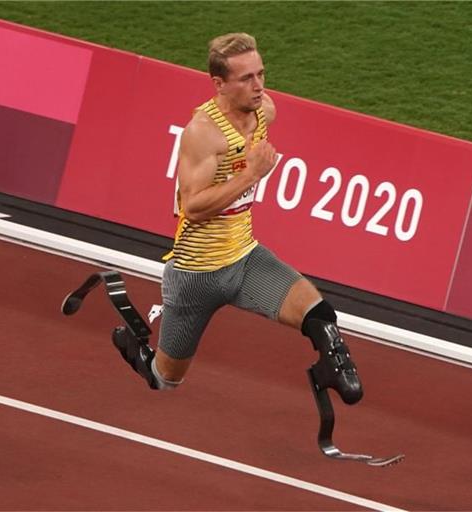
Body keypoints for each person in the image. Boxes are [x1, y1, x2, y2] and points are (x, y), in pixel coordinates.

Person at [113, 32, 363, 405]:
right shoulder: (202, 133)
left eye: (261, 74)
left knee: (322, 316)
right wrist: (250, 175)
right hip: (196, 275)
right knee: (166, 381)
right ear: (219, 84)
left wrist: (248, 172)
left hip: (245, 259)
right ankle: (138, 351)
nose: (259, 86)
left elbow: (258, 123)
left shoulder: (265, 111)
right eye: (247, 79)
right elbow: (193, 208)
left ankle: (331, 369)